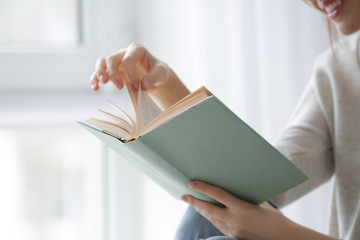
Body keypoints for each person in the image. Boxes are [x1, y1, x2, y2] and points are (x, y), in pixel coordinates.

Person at [89, 0, 360, 239]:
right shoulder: (339, 69)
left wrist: (285, 233)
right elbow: (254, 178)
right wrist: (161, 83)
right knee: (206, 216)